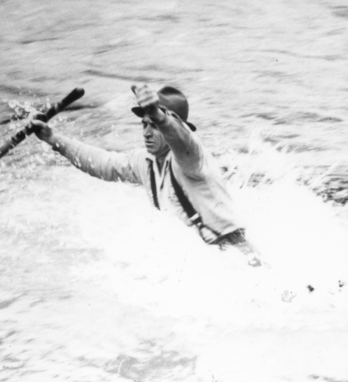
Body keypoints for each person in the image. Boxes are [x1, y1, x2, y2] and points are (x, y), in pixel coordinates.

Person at [31, 82, 255, 255]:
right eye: (144, 125)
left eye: (154, 126)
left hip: (235, 254)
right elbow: (102, 164)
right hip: (202, 257)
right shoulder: (143, 161)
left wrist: (159, 116)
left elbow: (179, 136)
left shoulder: (191, 158)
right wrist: (53, 138)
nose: (147, 133)